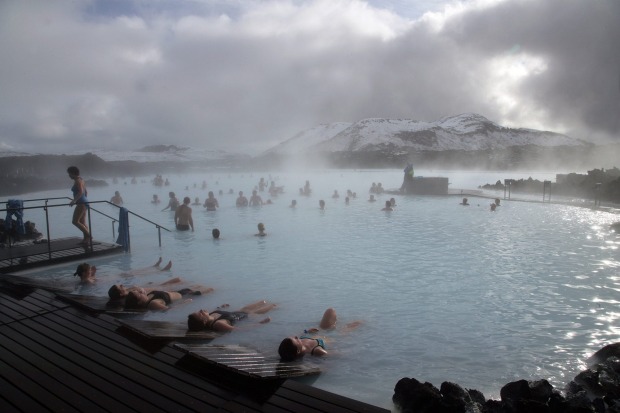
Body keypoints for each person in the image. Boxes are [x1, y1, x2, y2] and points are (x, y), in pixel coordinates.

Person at [277, 308, 362, 362]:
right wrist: (353, 352)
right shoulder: (316, 351)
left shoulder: (299, 344)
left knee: (330, 311)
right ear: (298, 351)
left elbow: (298, 337)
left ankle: (338, 324)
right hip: (334, 337)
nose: (295, 336)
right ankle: (345, 329)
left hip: (321, 332)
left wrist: (307, 331)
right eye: (295, 339)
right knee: (357, 323)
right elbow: (336, 354)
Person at [187, 300, 277, 332]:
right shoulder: (218, 324)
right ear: (204, 321)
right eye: (200, 313)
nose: (201, 310)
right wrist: (260, 323)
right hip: (249, 316)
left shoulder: (210, 315)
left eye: (199, 311)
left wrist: (221, 306)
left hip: (241, 310)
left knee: (263, 301)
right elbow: (238, 330)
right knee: (273, 306)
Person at [74, 257, 172, 285]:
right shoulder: (87, 281)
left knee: (134, 272)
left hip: (117, 276)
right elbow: (94, 282)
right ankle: (161, 270)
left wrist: (93, 274)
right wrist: (93, 275)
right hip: (116, 278)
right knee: (136, 274)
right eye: (89, 270)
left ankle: (154, 266)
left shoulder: (86, 279)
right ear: (83, 273)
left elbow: (93, 280)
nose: (91, 271)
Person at [124, 287, 210, 311]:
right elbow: (169, 309)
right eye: (139, 294)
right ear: (139, 302)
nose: (140, 292)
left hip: (181, 292)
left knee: (206, 288)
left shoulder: (148, 296)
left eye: (138, 291)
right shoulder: (153, 304)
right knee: (211, 290)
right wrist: (185, 303)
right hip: (187, 296)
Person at [67, 166, 90, 245]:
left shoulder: (77, 181)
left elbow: (80, 192)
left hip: (81, 203)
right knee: (82, 221)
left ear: (73, 173)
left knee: (75, 221)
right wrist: (84, 200)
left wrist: (74, 201)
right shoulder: (81, 179)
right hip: (84, 202)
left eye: (69, 174)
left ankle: (88, 236)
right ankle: (86, 239)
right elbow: (86, 192)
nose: (69, 176)